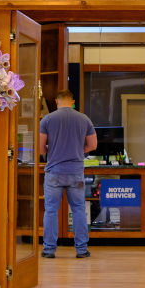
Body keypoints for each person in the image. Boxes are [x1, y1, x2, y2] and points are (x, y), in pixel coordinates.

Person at [39, 89, 97, 259]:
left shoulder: (47, 119)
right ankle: (81, 250)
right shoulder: (84, 119)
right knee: (78, 210)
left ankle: (49, 250)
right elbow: (93, 145)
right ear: (72, 102)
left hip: (54, 172)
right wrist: (78, 150)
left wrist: (51, 152)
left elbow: (41, 147)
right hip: (76, 173)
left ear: (57, 102)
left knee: (51, 210)